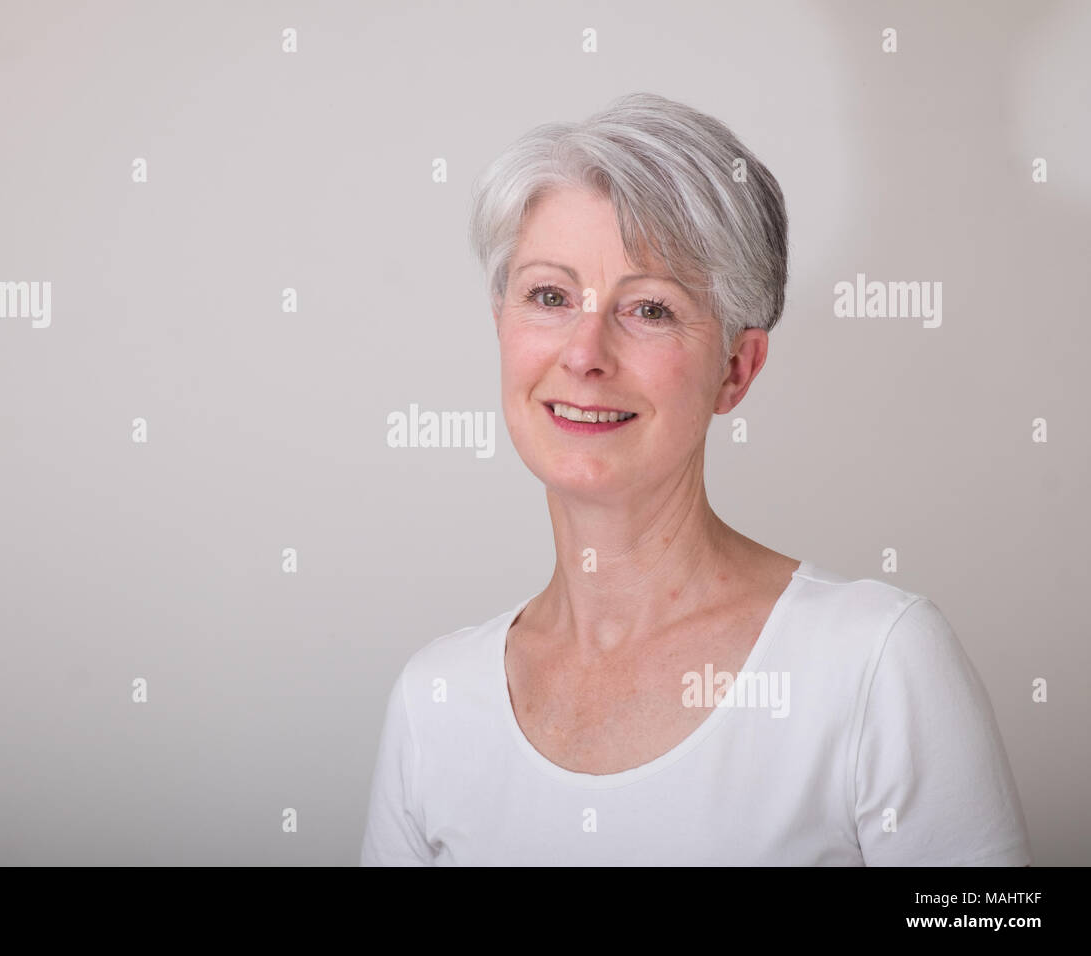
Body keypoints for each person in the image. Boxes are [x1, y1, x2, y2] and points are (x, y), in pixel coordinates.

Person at [360, 92, 1031, 865]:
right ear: (501, 327)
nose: (584, 353)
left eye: (648, 308)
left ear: (735, 371)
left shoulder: (875, 664)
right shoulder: (434, 701)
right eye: (549, 296)